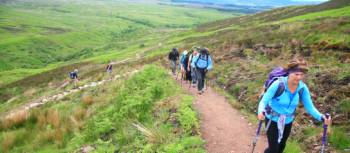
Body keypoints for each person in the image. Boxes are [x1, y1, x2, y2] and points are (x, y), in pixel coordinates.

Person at [257, 58, 332, 153]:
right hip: (272, 119)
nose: (299, 77)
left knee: (281, 147)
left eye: (301, 75)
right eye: (296, 74)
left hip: (288, 121)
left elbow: (310, 107)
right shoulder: (278, 84)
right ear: (289, 73)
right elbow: (264, 101)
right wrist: (260, 111)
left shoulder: (302, 88)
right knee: (274, 149)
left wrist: (321, 117)